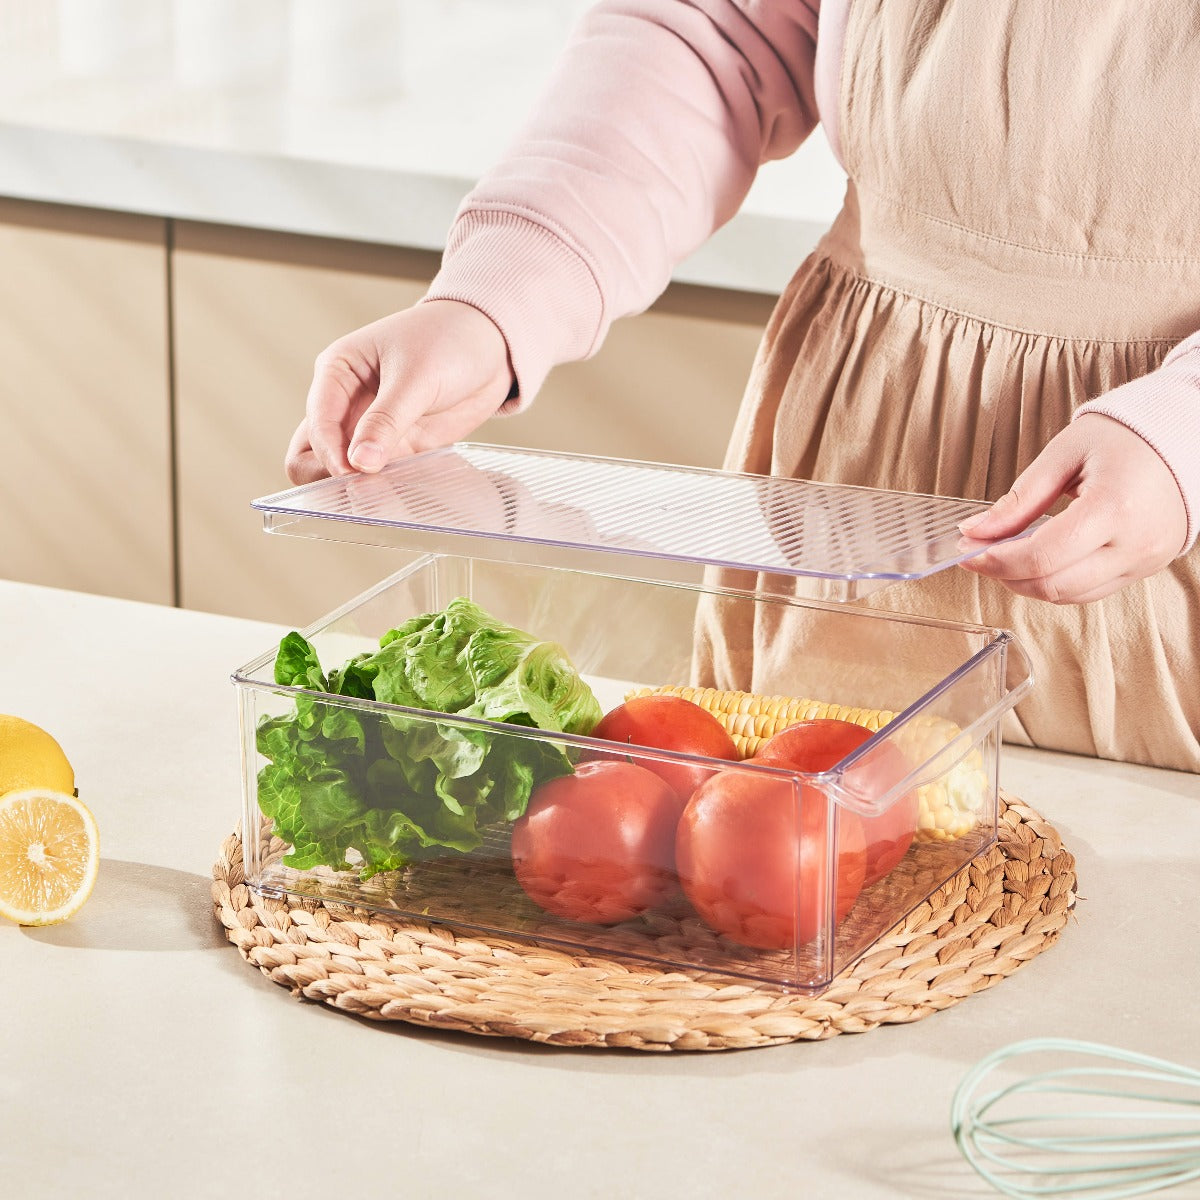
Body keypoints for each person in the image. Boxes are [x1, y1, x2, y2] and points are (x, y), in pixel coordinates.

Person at [284, 1, 1200, 773]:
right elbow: (717, 35)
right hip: (861, 453)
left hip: (1165, 505)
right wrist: (495, 300)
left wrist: (1181, 436)